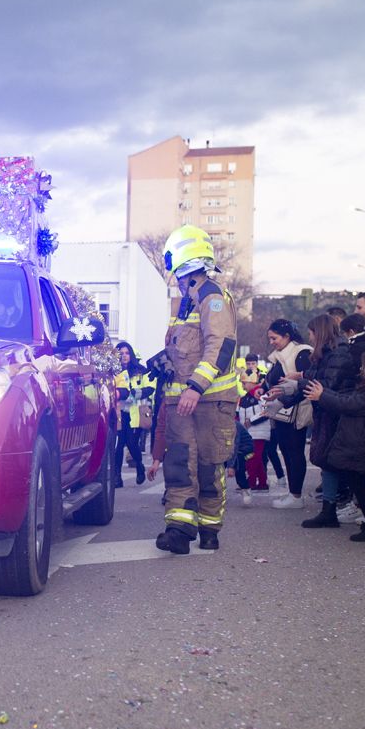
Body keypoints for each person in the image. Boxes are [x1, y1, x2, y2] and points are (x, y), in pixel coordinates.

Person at [153, 225, 238, 554]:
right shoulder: (186, 301)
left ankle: (209, 529)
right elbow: (184, 350)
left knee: (208, 466)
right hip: (181, 404)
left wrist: (195, 388)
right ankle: (178, 530)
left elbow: (221, 344)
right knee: (178, 464)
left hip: (209, 401)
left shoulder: (211, 295)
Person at [303, 348, 365, 542]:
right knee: (359, 484)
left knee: (360, 487)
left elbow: (349, 404)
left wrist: (322, 396)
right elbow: (348, 399)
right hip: (361, 441)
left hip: (360, 443)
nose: (361, 368)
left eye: (364, 365)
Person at [278, 315, 358, 528]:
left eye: (312, 332)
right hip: (327, 414)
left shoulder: (338, 354)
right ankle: (329, 510)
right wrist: (284, 398)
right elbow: (313, 383)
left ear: (320, 332)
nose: (310, 337)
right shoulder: (327, 354)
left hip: (337, 416)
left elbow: (324, 385)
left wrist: (295, 386)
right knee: (328, 463)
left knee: (348, 466)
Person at [262, 319, 311, 509]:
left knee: (294, 452)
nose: (271, 342)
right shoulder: (279, 356)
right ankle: (293, 493)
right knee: (287, 452)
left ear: (287, 336)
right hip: (282, 410)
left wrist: (283, 398)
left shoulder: (301, 353)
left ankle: (296, 495)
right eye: (270, 338)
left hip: (295, 409)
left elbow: (305, 381)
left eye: (274, 338)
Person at [114, 341, 147, 486]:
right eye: (121, 353)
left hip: (133, 413)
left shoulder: (140, 370)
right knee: (118, 445)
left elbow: (149, 388)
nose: (124, 356)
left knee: (132, 444)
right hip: (118, 412)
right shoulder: (113, 370)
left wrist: (135, 393)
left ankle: (140, 466)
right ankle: (117, 477)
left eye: (127, 353)